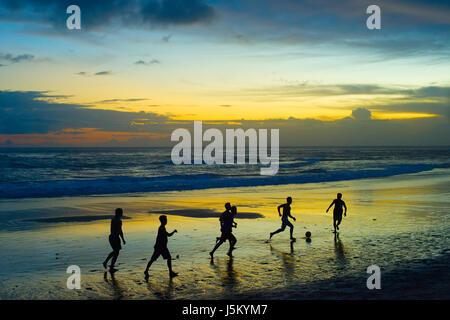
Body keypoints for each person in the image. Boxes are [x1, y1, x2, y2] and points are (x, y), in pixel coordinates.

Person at [144, 215, 178, 280]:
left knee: (167, 258)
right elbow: (167, 235)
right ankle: (146, 271)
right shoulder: (161, 228)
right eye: (165, 220)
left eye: (166, 220)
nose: (166, 221)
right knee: (153, 259)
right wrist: (174, 231)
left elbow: (167, 235)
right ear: (162, 221)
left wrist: (173, 232)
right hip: (160, 248)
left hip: (162, 247)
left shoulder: (163, 228)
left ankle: (170, 272)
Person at [103, 208, 126, 272]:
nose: (122, 214)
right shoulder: (116, 220)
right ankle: (110, 266)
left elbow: (120, 231)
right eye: (121, 213)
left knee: (116, 252)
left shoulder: (116, 220)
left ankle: (107, 263)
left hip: (114, 237)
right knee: (116, 252)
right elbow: (117, 230)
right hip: (114, 238)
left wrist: (122, 239)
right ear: (118, 213)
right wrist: (121, 239)